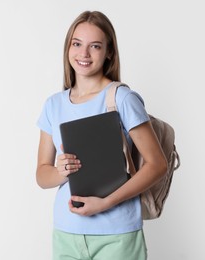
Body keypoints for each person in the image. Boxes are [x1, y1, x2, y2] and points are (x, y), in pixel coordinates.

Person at [36, 10, 167, 260]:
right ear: (68, 48)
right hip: (67, 232)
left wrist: (106, 203)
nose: (83, 54)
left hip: (117, 234)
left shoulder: (122, 98)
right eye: (77, 44)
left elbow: (157, 164)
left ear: (108, 52)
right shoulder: (53, 105)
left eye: (95, 46)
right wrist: (60, 171)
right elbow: (42, 175)